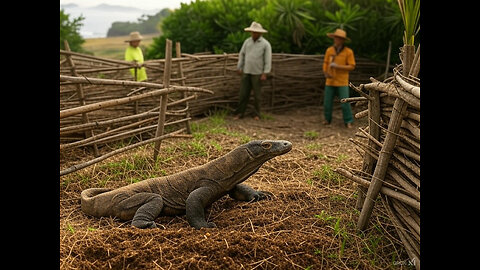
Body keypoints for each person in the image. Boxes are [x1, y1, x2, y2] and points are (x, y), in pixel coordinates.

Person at [233, 22, 272, 120]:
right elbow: (242, 54)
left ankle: (256, 114)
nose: (254, 34)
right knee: (243, 93)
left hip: (258, 73)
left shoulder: (265, 44)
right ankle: (240, 113)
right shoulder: (247, 42)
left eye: (256, 32)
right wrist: (239, 67)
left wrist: (265, 72)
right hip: (246, 71)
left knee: (257, 95)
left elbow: (268, 59)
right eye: (253, 32)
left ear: (260, 33)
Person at [322, 28, 356, 128]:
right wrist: (325, 72)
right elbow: (325, 63)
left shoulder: (348, 52)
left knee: (345, 103)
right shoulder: (329, 50)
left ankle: (348, 121)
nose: (337, 40)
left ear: (343, 40)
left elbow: (352, 66)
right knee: (327, 102)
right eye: (336, 38)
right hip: (330, 81)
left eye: (339, 39)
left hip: (342, 81)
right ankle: (327, 120)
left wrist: (337, 66)